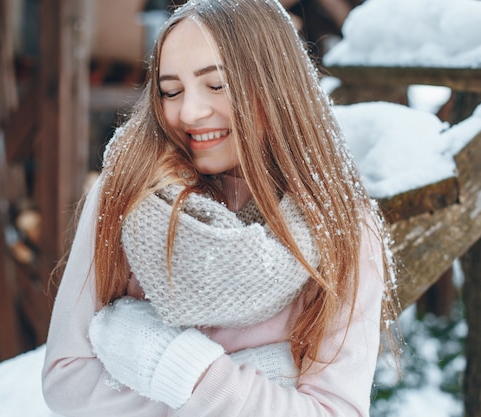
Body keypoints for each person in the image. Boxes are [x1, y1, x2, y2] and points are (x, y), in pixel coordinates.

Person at [42, 0, 400, 416]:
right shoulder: (130, 194)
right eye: (170, 91)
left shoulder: (342, 226)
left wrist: (181, 367)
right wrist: (269, 380)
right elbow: (67, 381)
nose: (189, 112)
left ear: (276, 85)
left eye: (216, 85)